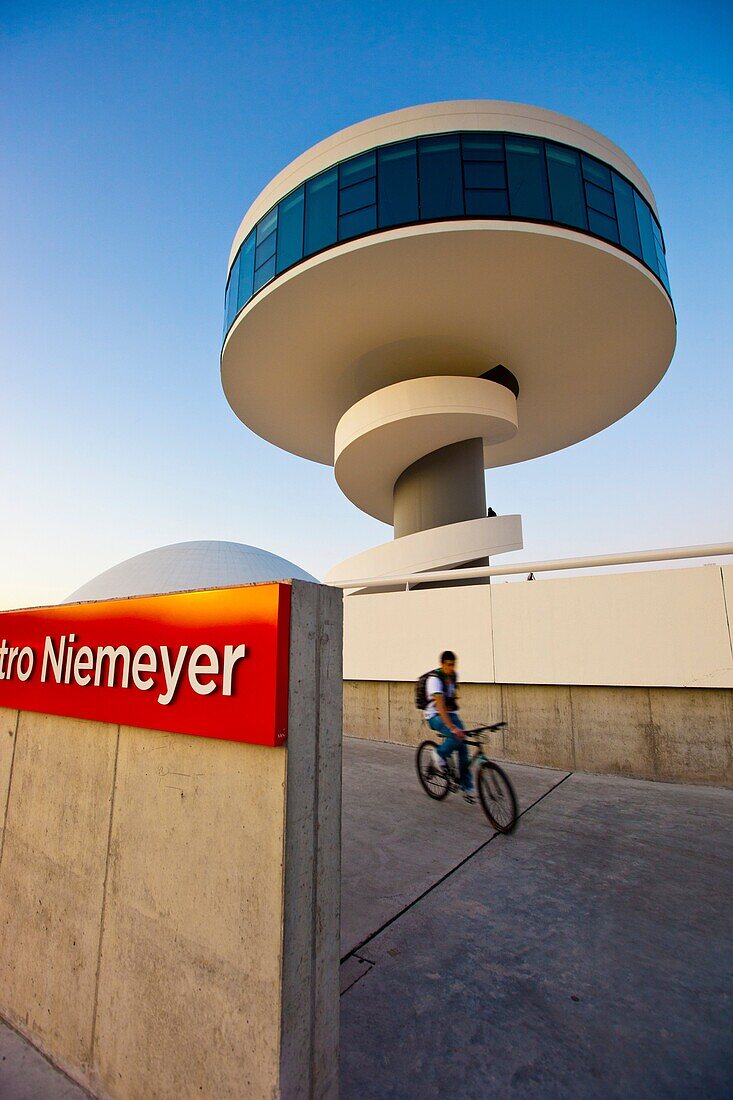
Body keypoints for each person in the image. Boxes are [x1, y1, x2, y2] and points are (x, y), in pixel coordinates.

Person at [424, 650, 475, 803]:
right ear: (441, 664)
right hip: (434, 715)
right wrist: (452, 728)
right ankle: (438, 755)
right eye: (448, 665)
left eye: (453, 665)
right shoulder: (434, 680)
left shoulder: (453, 676)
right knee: (455, 736)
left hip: (450, 713)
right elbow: (439, 707)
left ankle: (467, 787)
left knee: (463, 745)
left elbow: (452, 699)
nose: (451, 668)